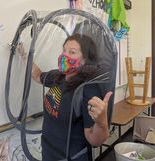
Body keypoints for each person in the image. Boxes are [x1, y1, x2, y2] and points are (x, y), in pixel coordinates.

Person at [31, 33, 112, 161]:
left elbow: (94, 140)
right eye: (64, 50)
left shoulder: (88, 89)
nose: (64, 55)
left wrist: (101, 123)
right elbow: (37, 75)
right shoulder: (58, 77)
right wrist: (25, 56)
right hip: (48, 152)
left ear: (85, 59)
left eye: (72, 52)